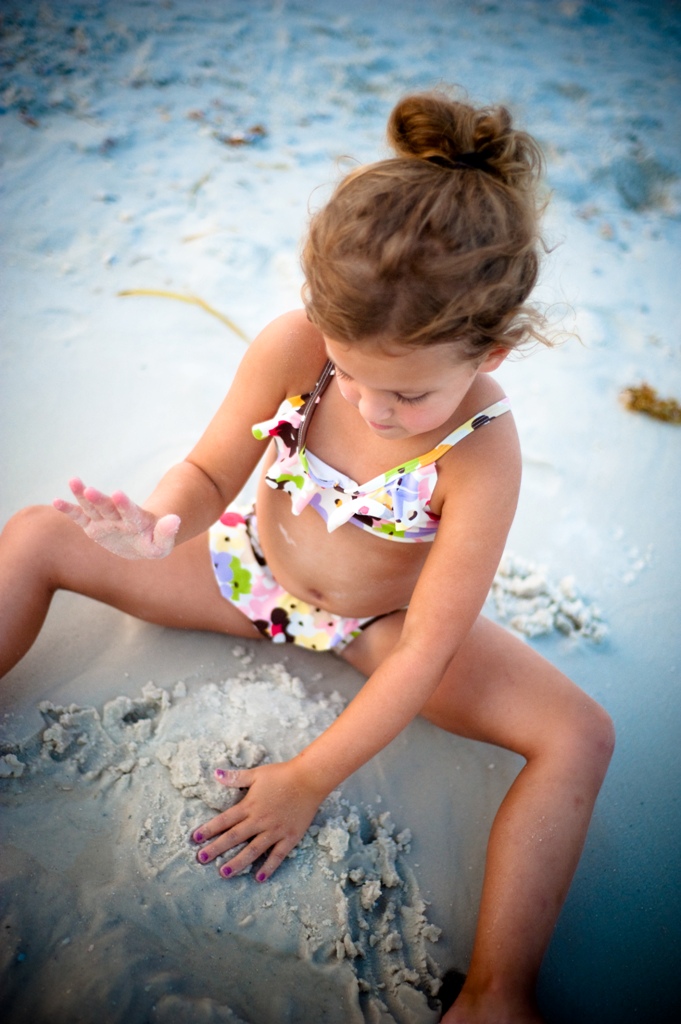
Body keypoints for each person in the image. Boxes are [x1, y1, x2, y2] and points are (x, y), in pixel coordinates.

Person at [0, 90, 614, 1024]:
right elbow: (210, 470)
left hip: (379, 630)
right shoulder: (296, 347)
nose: (372, 408)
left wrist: (306, 778)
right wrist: (161, 522)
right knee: (39, 533)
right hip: (245, 572)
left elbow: (426, 652)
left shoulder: (482, 452)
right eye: (353, 374)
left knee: (579, 735)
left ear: (490, 350)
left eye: (408, 395)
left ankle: (498, 992)